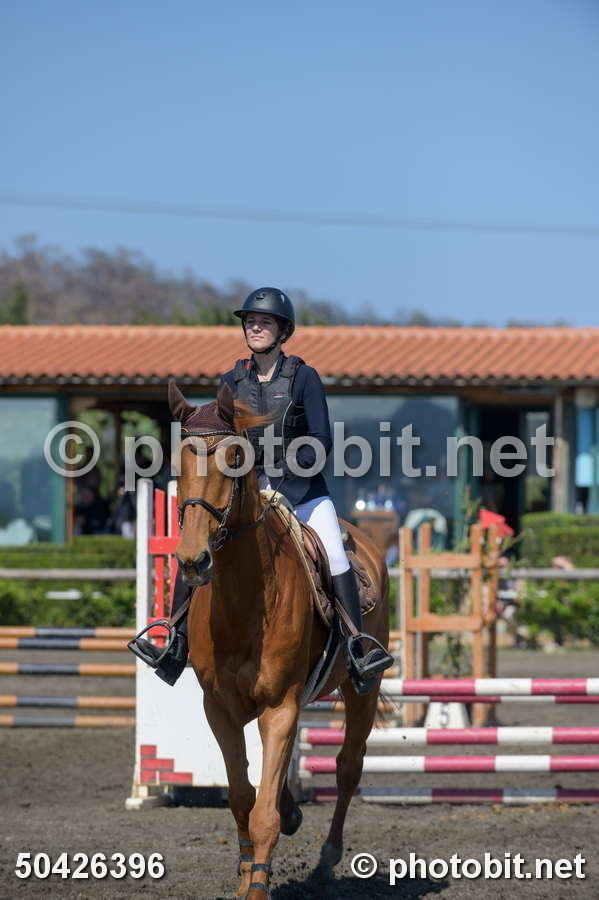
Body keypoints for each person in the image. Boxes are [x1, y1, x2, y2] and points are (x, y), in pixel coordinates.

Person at [130, 287, 394, 693]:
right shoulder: (231, 380)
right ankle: (175, 640)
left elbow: (321, 439)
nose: (255, 328)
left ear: (282, 331)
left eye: (264, 322)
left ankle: (357, 646)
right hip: (245, 492)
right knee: (197, 542)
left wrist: (290, 467)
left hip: (302, 492)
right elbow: (219, 435)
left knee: (334, 551)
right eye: (250, 322)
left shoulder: (304, 378)